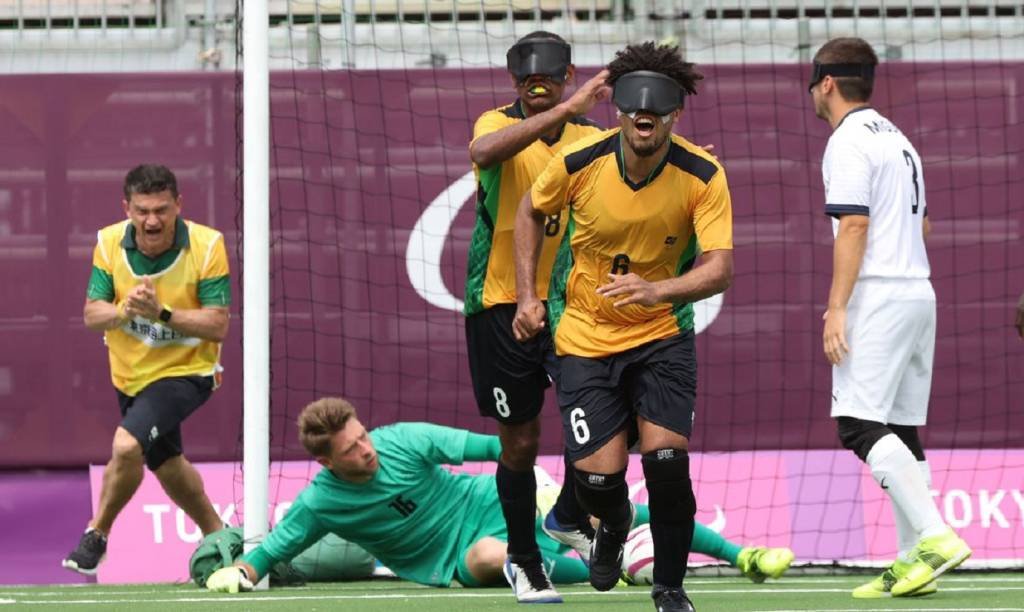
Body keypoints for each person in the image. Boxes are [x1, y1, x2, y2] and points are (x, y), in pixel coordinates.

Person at [513, 42, 734, 612]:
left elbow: (720, 269)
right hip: (584, 338)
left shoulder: (702, 175)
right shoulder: (580, 163)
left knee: (666, 463)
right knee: (601, 485)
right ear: (619, 112)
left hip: (661, 335)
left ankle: (669, 588)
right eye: (636, 109)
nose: (646, 118)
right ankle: (609, 526)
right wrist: (529, 295)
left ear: (674, 114)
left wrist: (655, 289)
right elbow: (529, 211)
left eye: (658, 110)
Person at [203, 397, 794, 594]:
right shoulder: (321, 502)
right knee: (492, 557)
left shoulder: (402, 440)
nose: (366, 451)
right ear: (326, 460)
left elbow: (495, 446)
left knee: (618, 507)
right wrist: (243, 574)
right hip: (452, 558)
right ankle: (604, 566)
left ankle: (742, 556)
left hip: (490, 502)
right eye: (352, 450)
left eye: (362, 436)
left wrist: (532, 473)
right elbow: (274, 547)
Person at [808, 37, 972, 599]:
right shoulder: (898, 138)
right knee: (901, 427)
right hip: (917, 291)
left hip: (876, 295)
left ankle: (933, 535)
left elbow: (853, 226)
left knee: (856, 422)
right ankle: (913, 562)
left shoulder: (848, 141)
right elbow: (923, 227)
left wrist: (836, 307)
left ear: (826, 82)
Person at [464, 30, 612, 602]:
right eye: (527, 81)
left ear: (568, 75)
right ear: (514, 84)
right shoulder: (494, 126)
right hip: (499, 304)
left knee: (603, 416)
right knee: (520, 443)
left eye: (548, 78)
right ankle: (524, 561)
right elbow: (483, 155)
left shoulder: (592, 138)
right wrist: (568, 111)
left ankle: (570, 511)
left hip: (571, 302)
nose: (538, 87)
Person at [63, 164, 231, 575]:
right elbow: (91, 315)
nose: (151, 220)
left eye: (161, 210)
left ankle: (96, 534)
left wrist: (162, 313)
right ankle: (221, 537)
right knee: (167, 462)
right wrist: (124, 310)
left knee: (125, 446)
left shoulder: (207, 246)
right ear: (127, 208)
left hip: (187, 372)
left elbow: (218, 322)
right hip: (129, 376)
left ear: (178, 205)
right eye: (141, 211)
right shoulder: (108, 242)